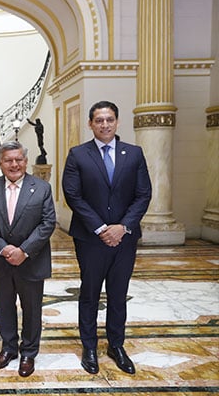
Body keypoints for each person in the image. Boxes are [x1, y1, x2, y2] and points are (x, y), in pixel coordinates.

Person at [62, 100, 152, 375]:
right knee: (89, 293)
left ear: (117, 122)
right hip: (90, 239)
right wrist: (101, 228)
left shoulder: (134, 154)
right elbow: (73, 195)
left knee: (118, 293)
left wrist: (122, 227)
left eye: (109, 119)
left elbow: (143, 194)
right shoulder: (78, 155)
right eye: (99, 120)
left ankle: (116, 345)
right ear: (90, 124)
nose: (104, 125)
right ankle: (89, 347)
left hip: (125, 238)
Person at [0, 141, 56, 378]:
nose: (14, 164)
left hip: (31, 260)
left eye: (18, 159)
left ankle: (29, 352)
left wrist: (24, 251)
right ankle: (8, 348)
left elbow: (47, 223)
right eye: (8, 160)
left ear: (25, 161)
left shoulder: (41, 188)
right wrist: (3, 249)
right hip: (0, 261)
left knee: (32, 309)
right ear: (0, 163)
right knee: (4, 307)